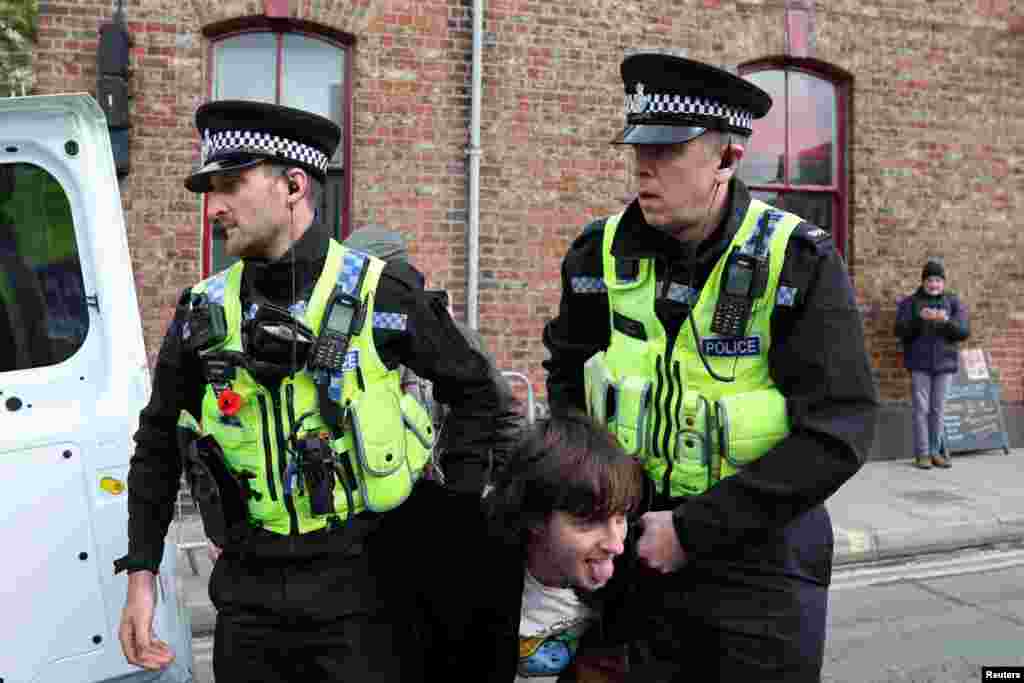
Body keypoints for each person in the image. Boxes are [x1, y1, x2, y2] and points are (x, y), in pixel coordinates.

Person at [115, 100, 515, 682]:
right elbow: (156, 444)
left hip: (366, 601)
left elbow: (477, 392)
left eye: (231, 183)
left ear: (294, 185)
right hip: (248, 604)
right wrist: (142, 574)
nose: (213, 208)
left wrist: (449, 510)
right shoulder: (201, 312)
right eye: (209, 188)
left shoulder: (383, 295)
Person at [542, 51, 879, 682]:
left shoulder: (797, 262)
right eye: (639, 147)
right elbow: (568, 383)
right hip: (626, 555)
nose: (644, 166)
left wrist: (695, 529)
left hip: (759, 564)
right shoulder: (596, 255)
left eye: (668, 150)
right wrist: (582, 506)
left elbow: (841, 429)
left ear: (727, 157)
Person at [420, 411, 649, 683]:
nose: (615, 544)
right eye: (589, 522)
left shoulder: (627, 577)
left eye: (620, 518)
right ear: (536, 518)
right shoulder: (471, 580)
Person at [894, 259, 970, 469]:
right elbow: (899, 331)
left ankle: (936, 451)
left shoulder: (953, 302)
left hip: (944, 365)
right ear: (923, 281)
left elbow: (963, 332)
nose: (933, 284)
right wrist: (919, 320)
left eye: (937, 280)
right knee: (921, 409)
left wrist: (945, 322)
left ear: (943, 283)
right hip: (919, 364)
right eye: (929, 280)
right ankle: (923, 454)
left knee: (938, 409)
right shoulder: (910, 303)